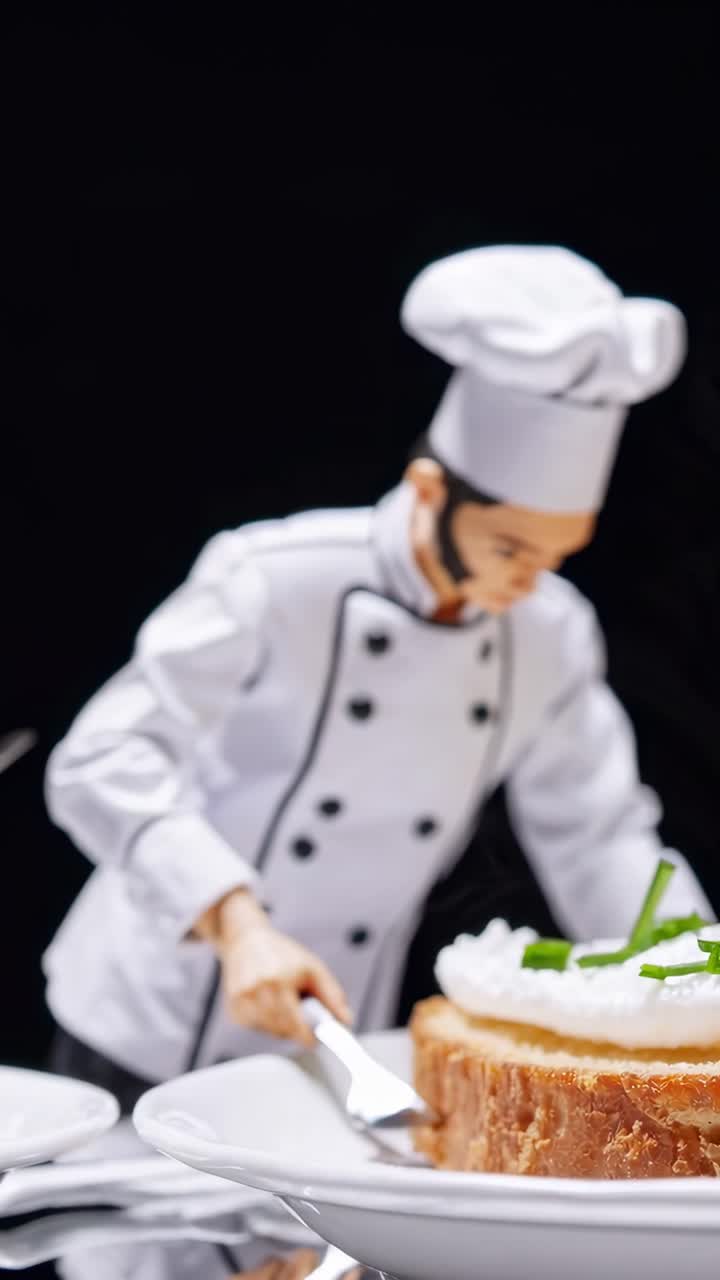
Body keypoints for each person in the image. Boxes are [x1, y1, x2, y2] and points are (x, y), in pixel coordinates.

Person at [43, 245, 714, 1108]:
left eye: (557, 554)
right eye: (509, 548)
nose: (527, 582)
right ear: (430, 490)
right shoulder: (275, 578)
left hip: (334, 1029)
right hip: (151, 1013)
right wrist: (237, 924)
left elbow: (599, 836)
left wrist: (696, 981)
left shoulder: (552, 629)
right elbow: (101, 759)